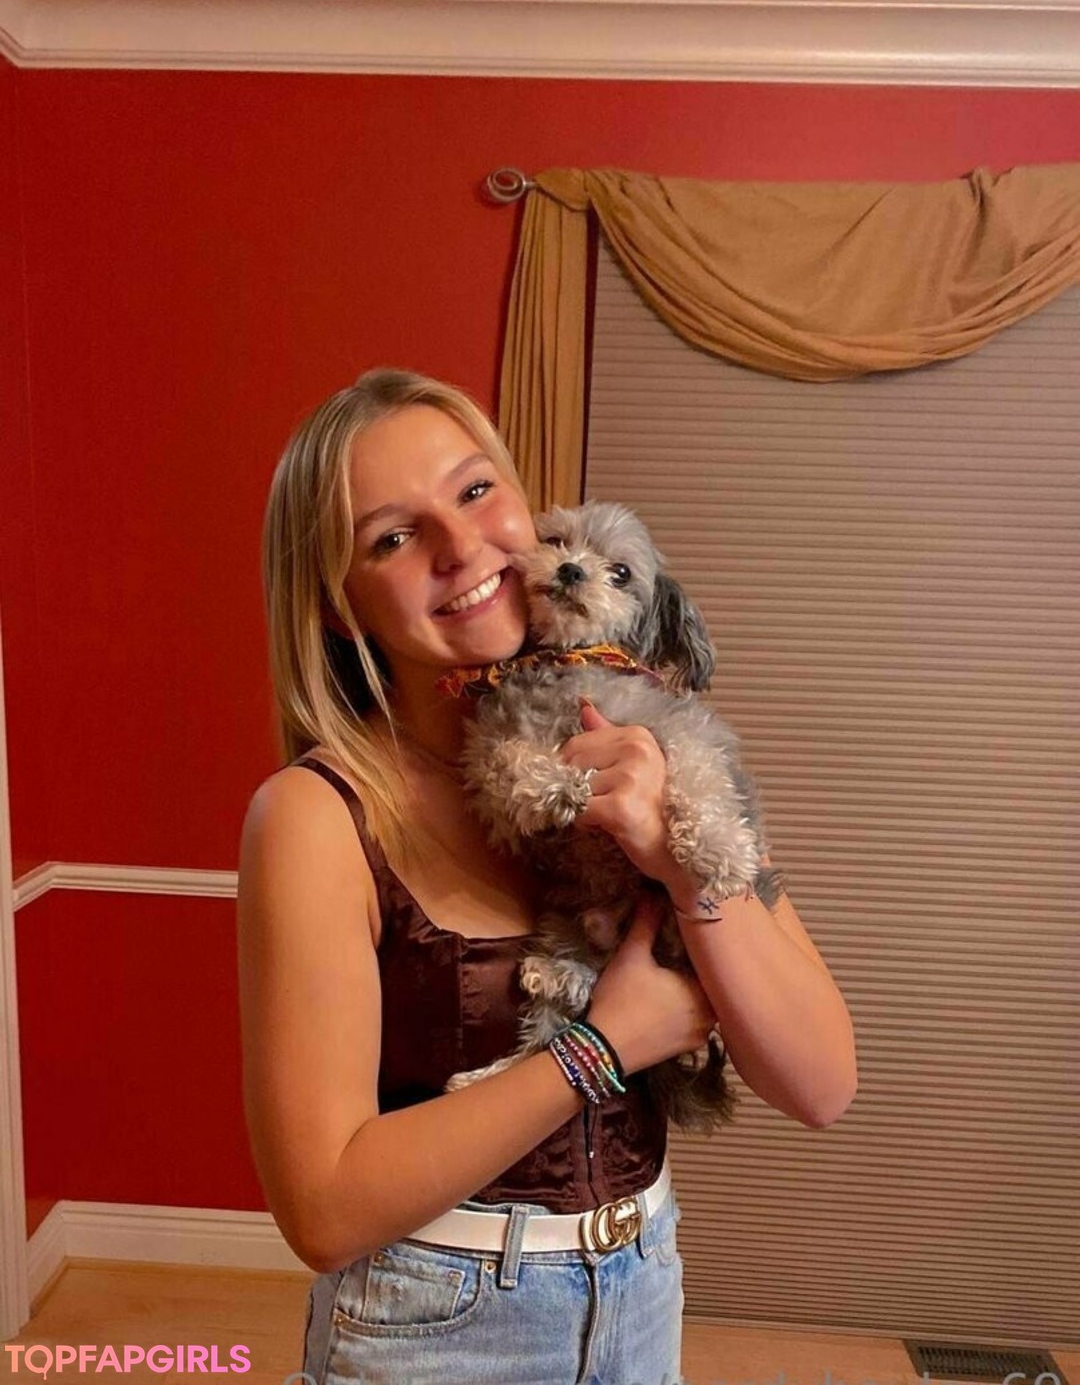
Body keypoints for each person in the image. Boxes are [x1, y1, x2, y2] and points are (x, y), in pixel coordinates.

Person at [237, 368, 857, 1385]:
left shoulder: (653, 747)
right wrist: (601, 1048)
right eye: (393, 538)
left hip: (642, 1288)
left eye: (477, 490)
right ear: (341, 607)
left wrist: (682, 873)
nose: (461, 547)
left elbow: (823, 1082)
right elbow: (323, 1209)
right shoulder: (317, 815)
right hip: (433, 1328)